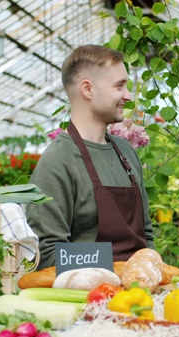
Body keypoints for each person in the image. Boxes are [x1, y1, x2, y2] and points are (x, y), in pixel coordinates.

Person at [26, 44, 155, 270]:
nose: (128, 95)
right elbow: (46, 255)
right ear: (87, 89)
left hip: (140, 292)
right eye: (119, 86)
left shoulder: (126, 152)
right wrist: (113, 272)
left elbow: (146, 236)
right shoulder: (58, 161)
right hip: (88, 297)